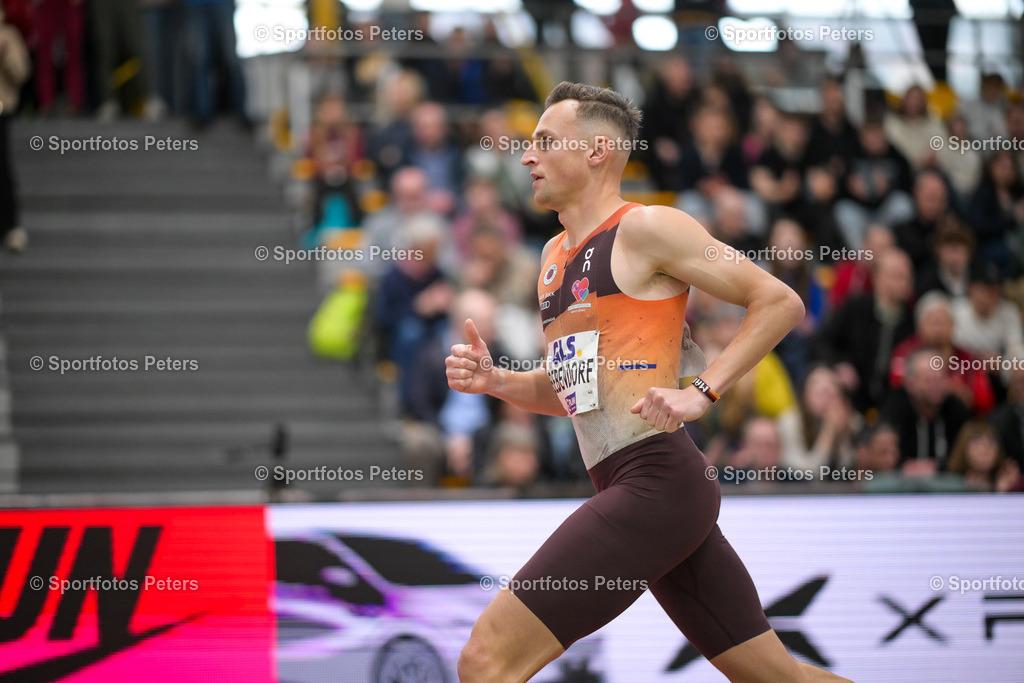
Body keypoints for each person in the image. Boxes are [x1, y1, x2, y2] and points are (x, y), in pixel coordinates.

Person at [446, 82, 847, 682]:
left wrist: (702, 390)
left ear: (598, 151)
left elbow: (779, 301)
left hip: (656, 481)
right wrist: (497, 381)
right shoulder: (553, 257)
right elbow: (573, 394)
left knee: (486, 658)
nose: (526, 157)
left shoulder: (647, 228)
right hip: (645, 490)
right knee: (777, 678)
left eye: (545, 142)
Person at [0, 6, 29, 253]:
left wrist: (6, 54)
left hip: (2, 108)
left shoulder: (9, 36)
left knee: (2, 168)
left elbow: (21, 74)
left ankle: (11, 227)